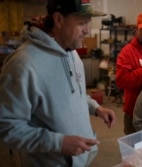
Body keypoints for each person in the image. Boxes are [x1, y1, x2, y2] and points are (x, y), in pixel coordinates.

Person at [0, 0, 116, 166]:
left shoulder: (72, 52)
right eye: (82, 23)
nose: (88, 31)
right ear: (59, 19)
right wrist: (58, 143)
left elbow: (76, 92)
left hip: (81, 157)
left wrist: (96, 108)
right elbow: (8, 127)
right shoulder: (23, 64)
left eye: (88, 23)